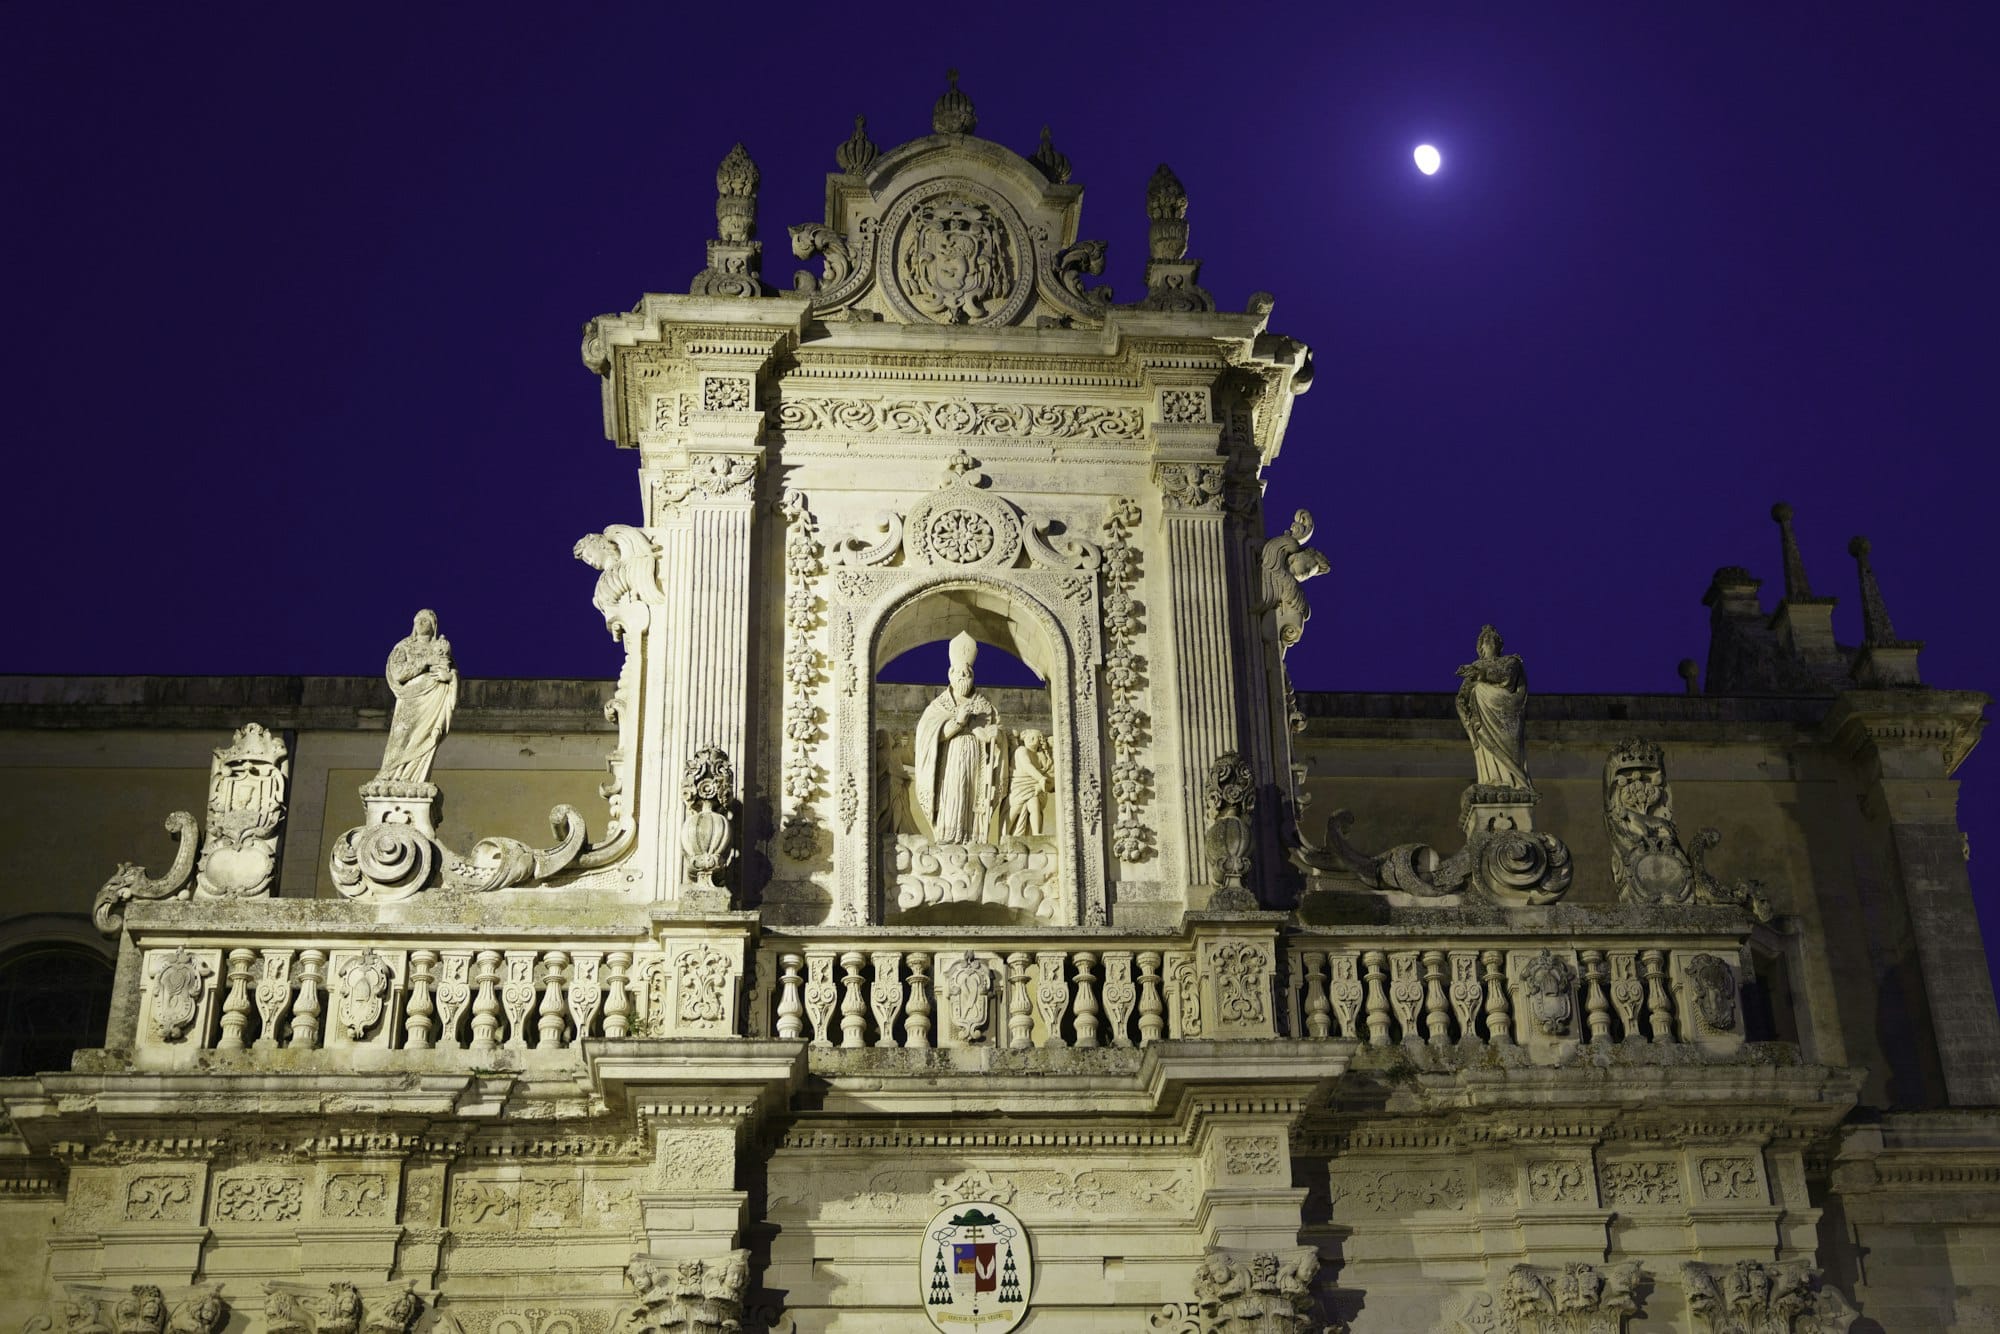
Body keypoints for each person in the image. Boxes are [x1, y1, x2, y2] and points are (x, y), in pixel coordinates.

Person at [913, 633, 1006, 844]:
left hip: (977, 762)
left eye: (968, 673)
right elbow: (928, 738)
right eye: (960, 673)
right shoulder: (938, 706)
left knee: (972, 796)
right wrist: (958, 721)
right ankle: (948, 838)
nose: (964, 677)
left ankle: (974, 838)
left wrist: (997, 736)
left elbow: (1000, 736)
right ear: (950, 673)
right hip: (950, 762)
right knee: (953, 796)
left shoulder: (986, 707)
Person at [376, 609, 458, 784]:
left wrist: (450, 677)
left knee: (425, 738)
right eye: (418, 621)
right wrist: (425, 661)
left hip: (433, 702)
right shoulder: (404, 646)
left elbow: (451, 671)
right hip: (410, 700)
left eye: (425, 621)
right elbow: (398, 673)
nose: (421, 624)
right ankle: (389, 775)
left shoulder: (441, 647)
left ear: (433, 626)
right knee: (401, 739)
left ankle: (413, 778)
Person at [1454, 624, 1532, 790]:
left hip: (1506, 715)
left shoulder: (1511, 661)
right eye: (1486, 640)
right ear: (1480, 647)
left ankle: (1515, 782)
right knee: (1478, 690)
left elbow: (1507, 677)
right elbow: (1462, 696)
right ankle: (1493, 780)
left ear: (1499, 644)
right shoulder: (1475, 666)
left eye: (1493, 639)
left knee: (1480, 688)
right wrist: (1467, 718)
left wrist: (1481, 675)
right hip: (1482, 717)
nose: (1490, 643)